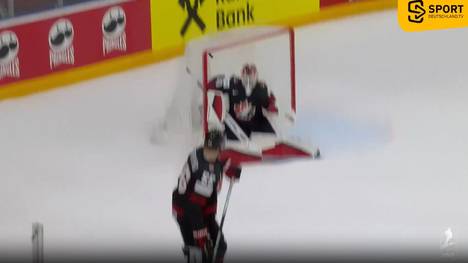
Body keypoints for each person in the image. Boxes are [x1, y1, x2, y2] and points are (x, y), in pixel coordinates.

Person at [172, 130, 241, 263]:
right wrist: (200, 230)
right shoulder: (197, 165)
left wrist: (231, 170)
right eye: (207, 148)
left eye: (214, 150)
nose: (209, 152)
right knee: (197, 250)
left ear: (219, 150)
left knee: (219, 246)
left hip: (201, 209)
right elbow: (188, 199)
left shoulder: (212, 158)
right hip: (184, 209)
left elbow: (221, 165)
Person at [207, 64, 278, 141]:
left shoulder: (262, 88)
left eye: (251, 78)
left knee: (271, 137)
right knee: (234, 142)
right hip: (236, 123)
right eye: (246, 77)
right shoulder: (233, 83)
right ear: (241, 76)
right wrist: (215, 82)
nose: (248, 81)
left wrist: (271, 107)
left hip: (255, 122)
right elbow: (212, 84)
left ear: (256, 77)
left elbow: (270, 103)